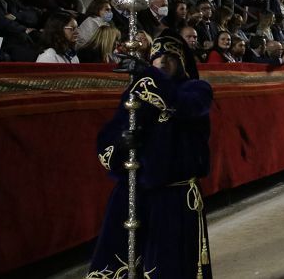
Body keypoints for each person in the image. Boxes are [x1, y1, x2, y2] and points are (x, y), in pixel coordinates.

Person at [88, 37, 213, 278]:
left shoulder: (197, 90)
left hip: (173, 198)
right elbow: (109, 135)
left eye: (171, 56)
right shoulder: (135, 94)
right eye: (157, 56)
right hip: (134, 191)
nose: (163, 60)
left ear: (182, 61)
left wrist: (147, 75)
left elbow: (184, 107)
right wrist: (122, 143)